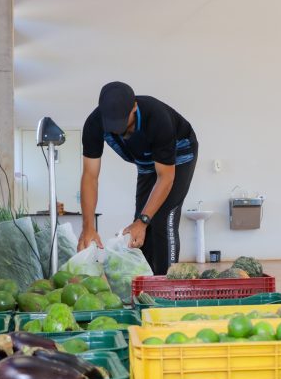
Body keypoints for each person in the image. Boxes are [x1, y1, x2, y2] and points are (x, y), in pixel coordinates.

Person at [78, 81, 198, 275]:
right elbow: (90, 176)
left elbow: (165, 178)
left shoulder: (157, 117)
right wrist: (88, 227)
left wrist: (144, 220)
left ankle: (168, 285)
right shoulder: (94, 123)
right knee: (139, 228)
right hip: (145, 161)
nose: (117, 130)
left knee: (160, 219)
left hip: (179, 153)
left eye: (121, 122)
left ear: (134, 107)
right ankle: (146, 283)